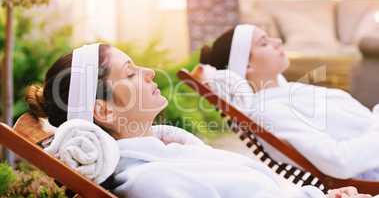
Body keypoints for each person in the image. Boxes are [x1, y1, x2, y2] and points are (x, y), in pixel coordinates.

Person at [25, 43, 372, 198]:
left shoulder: (172, 153)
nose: (149, 72)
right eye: (130, 74)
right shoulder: (153, 181)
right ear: (104, 111)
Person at [194, 24, 379, 181]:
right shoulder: (269, 113)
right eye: (264, 43)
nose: (278, 42)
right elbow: (339, 162)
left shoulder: (287, 94)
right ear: (247, 66)